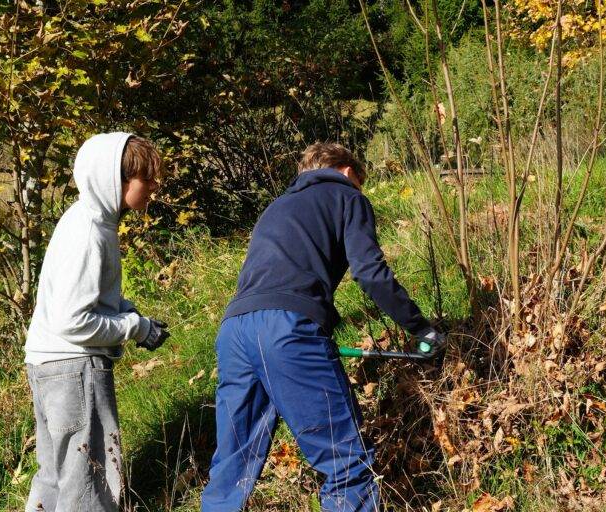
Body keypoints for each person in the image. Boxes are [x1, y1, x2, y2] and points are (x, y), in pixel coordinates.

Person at [201, 142, 445, 512]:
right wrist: (421, 327)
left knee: (231, 467)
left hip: (234, 331)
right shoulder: (346, 196)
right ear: (348, 172)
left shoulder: (275, 207)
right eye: (358, 182)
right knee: (346, 463)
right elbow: (370, 273)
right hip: (287, 330)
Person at [23, 133, 170, 512]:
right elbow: (74, 320)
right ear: (116, 180)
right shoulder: (89, 232)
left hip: (48, 365)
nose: (155, 187)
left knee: (55, 479)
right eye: (147, 179)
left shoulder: (86, 220)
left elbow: (89, 299)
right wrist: (133, 327)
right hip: (75, 368)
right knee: (87, 482)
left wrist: (135, 317)